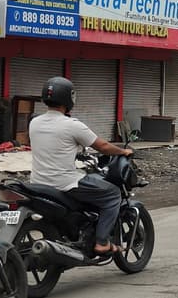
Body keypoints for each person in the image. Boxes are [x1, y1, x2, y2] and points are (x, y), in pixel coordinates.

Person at [29, 77, 133, 257]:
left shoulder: (34, 122)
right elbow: (103, 147)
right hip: (64, 183)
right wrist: (123, 152)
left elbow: (55, 145)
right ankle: (102, 242)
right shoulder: (72, 125)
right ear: (69, 99)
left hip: (38, 183)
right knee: (112, 194)